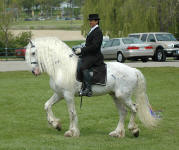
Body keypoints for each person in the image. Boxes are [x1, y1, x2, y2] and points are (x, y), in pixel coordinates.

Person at [75, 14, 104, 97]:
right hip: (90, 55)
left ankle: (88, 89)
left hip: (95, 56)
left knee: (84, 66)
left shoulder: (98, 31)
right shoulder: (92, 30)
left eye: (91, 21)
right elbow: (88, 44)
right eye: (89, 21)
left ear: (96, 21)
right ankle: (81, 85)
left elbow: (95, 47)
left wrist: (82, 50)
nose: (90, 22)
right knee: (78, 62)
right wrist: (80, 49)